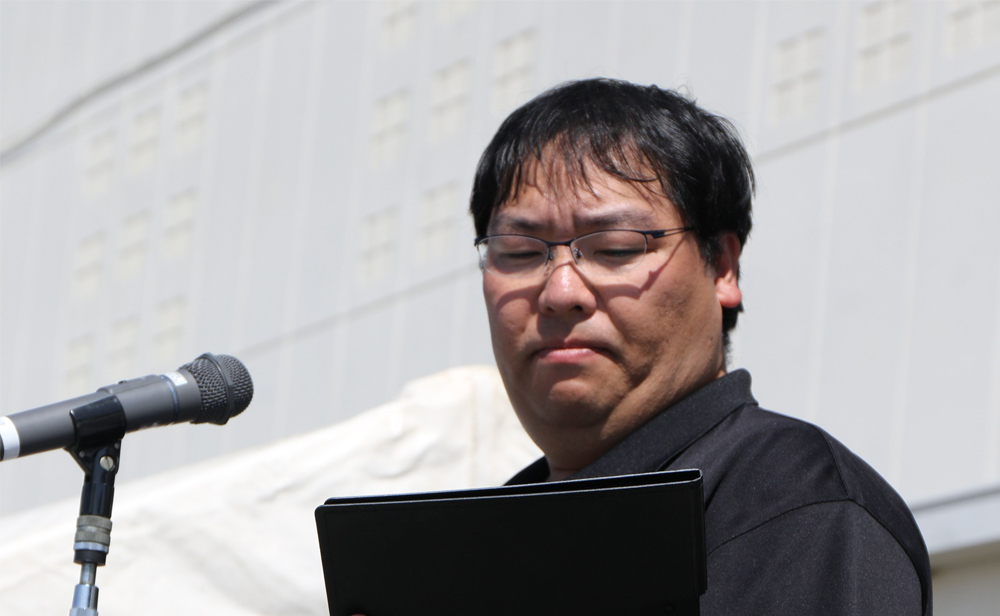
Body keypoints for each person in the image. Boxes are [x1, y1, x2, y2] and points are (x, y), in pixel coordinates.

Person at [469, 78, 932, 615]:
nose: (561, 292)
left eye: (616, 248)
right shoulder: (469, 555)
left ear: (722, 267)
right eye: (520, 252)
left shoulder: (792, 503)